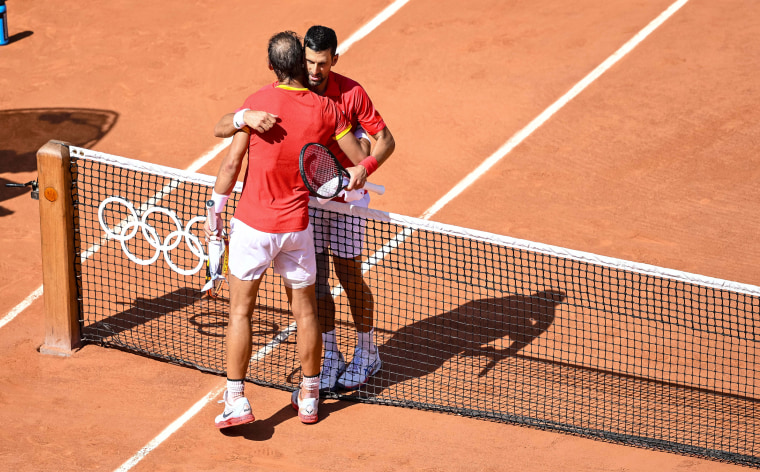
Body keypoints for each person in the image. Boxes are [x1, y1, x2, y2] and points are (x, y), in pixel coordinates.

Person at [206, 31, 374, 428]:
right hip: (297, 228)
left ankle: (236, 401)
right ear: (301, 62)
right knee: (306, 313)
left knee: (240, 312)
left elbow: (230, 165)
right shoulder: (325, 111)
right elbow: (361, 161)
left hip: (252, 226)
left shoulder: (258, 105)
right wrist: (353, 174)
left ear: (271, 67)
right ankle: (311, 398)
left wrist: (215, 214)